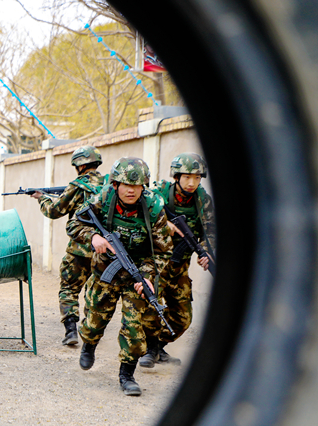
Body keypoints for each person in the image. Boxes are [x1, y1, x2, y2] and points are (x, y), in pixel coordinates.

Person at [67, 157, 172, 396]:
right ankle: (89, 345)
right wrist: (93, 237)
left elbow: (163, 251)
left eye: (137, 186)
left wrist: (146, 276)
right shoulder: (103, 198)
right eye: (126, 185)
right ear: (115, 184)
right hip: (105, 270)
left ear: (143, 186)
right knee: (94, 322)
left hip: (137, 275)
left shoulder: (154, 207)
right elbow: (74, 225)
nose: (131, 190)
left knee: (134, 328)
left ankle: (127, 375)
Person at [139, 152, 216, 367]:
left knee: (183, 317)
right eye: (187, 177)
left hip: (180, 265)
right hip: (156, 263)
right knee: (151, 307)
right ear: (176, 176)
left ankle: (158, 347)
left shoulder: (202, 200)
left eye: (197, 178)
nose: (192, 183)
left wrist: (208, 252)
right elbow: (141, 215)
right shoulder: (159, 193)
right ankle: (149, 349)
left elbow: (211, 230)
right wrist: (165, 225)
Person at [29, 145, 104, 346]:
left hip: (79, 249)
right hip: (103, 250)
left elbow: (54, 211)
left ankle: (71, 330)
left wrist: (42, 198)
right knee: (95, 290)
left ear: (79, 165)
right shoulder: (109, 186)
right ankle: (90, 331)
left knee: (69, 287)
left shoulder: (78, 185)